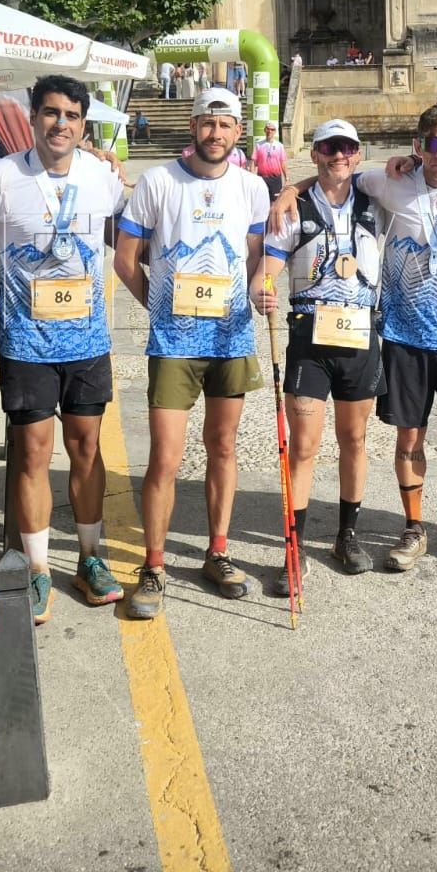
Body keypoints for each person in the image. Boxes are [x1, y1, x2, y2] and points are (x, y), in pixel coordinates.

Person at [282, 105, 437, 572]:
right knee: (410, 438)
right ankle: (414, 527)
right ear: (417, 147)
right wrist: (289, 187)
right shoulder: (389, 182)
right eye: (431, 143)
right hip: (403, 335)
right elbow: (334, 179)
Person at [114, 86, 271, 619]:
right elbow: (126, 259)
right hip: (174, 343)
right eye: (208, 123)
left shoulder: (253, 188)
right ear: (193, 126)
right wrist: (157, 307)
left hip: (231, 339)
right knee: (165, 457)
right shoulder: (159, 182)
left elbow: (255, 260)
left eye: (226, 125)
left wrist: (259, 290)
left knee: (223, 448)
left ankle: (218, 550)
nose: (216, 133)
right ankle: (153, 567)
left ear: (239, 132)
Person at [0, 75, 127, 623]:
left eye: (70, 115)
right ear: (32, 117)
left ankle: (90, 558)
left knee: (86, 447)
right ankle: (37, 567)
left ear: (83, 123)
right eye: (49, 113)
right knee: (34, 453)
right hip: (26, 341)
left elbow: (126, 238)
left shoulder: (102, 177)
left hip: (88, 340)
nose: (59, 123)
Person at [253, 119, 385, 590]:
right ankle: (295, 545)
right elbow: (266, 271)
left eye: (348, 147)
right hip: (310, 337)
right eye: (329, 147)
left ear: (357, 152)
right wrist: (262, 289)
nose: (339, 155)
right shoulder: (294, 209)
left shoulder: (374, 199)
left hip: (361, 336)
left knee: (354, 440)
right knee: (304, 447)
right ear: (315, 152)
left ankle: (347, 536)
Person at [251, 122, 287, 198]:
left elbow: (283, 163)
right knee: (262, 201)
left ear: (275, 131)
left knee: (275, 202)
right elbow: (253, 162)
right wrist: (252, 176)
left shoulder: (279, 146)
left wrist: (287, 178)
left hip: (276, 179)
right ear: (264, 130)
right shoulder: (258, 145)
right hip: (262, 178)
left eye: (272, 129)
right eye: (268, 129)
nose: (269, 131)